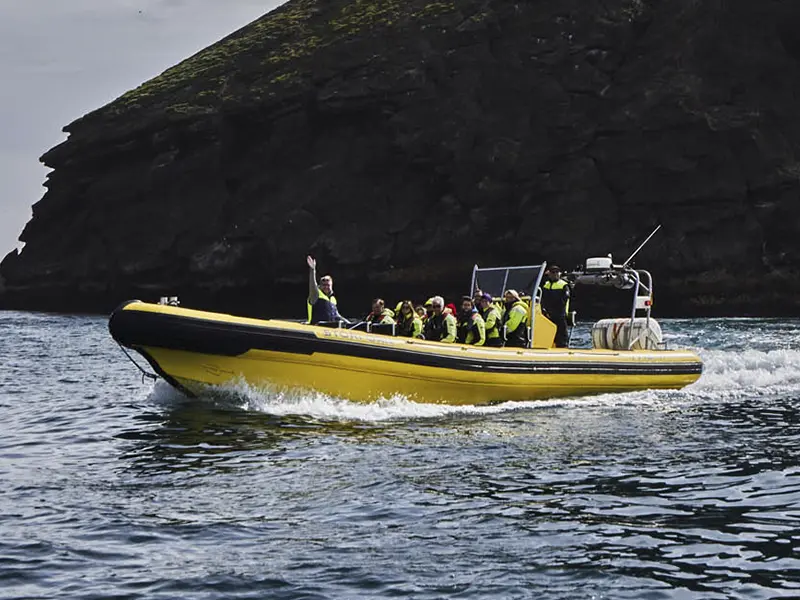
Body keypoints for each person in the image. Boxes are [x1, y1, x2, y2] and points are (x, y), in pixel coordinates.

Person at [306, 255, 343, 324]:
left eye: (328, 285)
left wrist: (350, 324)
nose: (326, 287)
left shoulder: (333, 299)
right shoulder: (315, 296)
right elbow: (312, 285)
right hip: (316, 327)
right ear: (320, 286)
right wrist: (312, 270)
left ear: (331, 286)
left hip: (330, 330)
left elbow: (337, 316)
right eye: (324, 285)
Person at [541, 264, 571, 347]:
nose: (555, 274)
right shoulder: (545, 285)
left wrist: (554, 309)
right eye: (553, 272)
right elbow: (542, 298)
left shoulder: (564, 285)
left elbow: (564, 300)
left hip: (560, 314)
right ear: (549, 274)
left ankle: (563, 347)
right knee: (548, 332)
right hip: (547, 314)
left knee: (561, 334)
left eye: (557, 272)